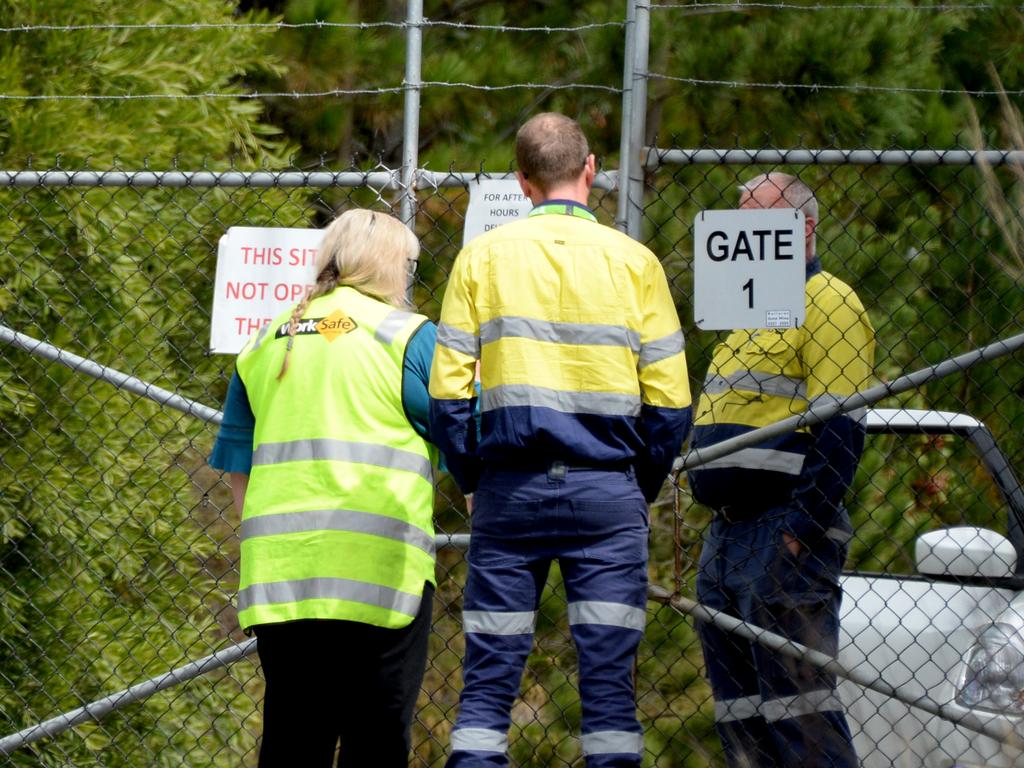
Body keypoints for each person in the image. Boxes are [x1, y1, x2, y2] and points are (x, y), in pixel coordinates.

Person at [429, 112, 692, 768]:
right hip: (606, 493)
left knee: (487, 690)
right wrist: (638, 484)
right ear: (592, 168)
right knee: (608, 694)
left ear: (522, 182)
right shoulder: (636, 263)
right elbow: (671, 404)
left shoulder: (481, 259)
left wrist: (470, 479)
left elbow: (448, 395)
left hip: (509, 493)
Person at [208, 209, 440, 768]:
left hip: (284, 578)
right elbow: (465, 435)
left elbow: (238, 461)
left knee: (292, 740)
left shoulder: (268, 339)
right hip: (382, 574)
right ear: (392, 266)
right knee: (376, 742)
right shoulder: (409, 336)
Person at [687, 173, 875, 767]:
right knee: (741, 715)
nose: (747, 232)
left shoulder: (830, 301)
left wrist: (800, 530)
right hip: (727, 536)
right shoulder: (748, 312)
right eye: (741, 218)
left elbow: (841, 428)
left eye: (760, 218)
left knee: (800, 714)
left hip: (780, 533)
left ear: (805, 227)